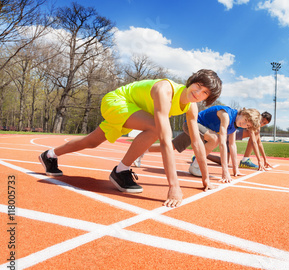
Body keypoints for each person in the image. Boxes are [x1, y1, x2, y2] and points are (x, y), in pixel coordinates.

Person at [38, 69, 222, 208]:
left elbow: (197, 142)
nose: (198, 93)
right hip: (118, 102)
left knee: (91, 142)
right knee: (156, 128)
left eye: (205, 92)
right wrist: (174, 185)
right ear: (191, 82)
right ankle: (121, 170)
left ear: (207, 98)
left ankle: (50, 155)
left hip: (136, 112)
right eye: (198, 86)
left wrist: (206, 179)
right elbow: (166, 140)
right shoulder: (165, 90)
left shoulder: (191, 107)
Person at [167, 106, 260, 182]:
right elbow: (222, 143)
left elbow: (232, 145)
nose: (244, 124)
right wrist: (225, 171)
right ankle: (195, 166)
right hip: (191, 124)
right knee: (215, 139)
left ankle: (151, 148)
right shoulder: (226, 115)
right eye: (246, 120)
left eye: (247, 125)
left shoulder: (234, 126)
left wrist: (235, 169)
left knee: (171, 146)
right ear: (243, 113)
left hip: (202, 132)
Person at [205, 111, 273, 171]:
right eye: (261, 121)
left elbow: (259, 143)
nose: (261, 123)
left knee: (224, 161)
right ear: (259, 117)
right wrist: (259, 161)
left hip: (230, 137)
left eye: (264, 123)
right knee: (254, 136)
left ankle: (202, 154)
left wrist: (265, 159)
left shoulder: (257, 128)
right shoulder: (253, 123)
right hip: (229, 134)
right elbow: (253, 142)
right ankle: (245, 160)